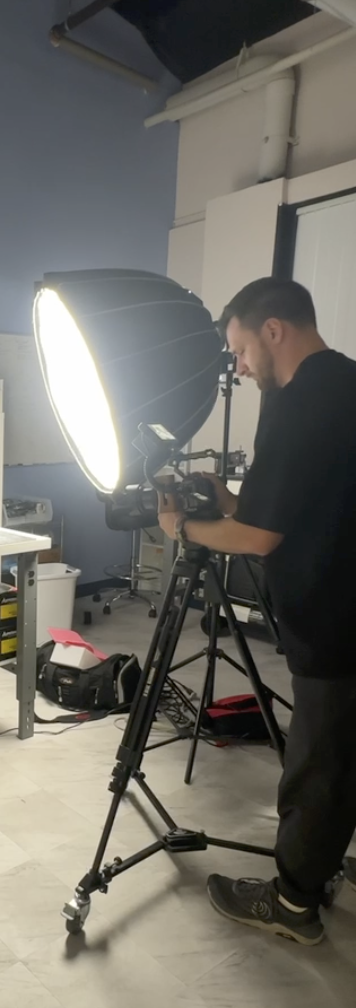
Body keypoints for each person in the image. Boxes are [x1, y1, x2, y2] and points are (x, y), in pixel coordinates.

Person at [157, 277, 356, 946]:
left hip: (332, 624)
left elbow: (259, 539)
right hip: (347, 609)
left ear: (274, 330)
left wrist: (182, 528)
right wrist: (230, 500)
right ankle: (330, 856)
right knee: (345, 757)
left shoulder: (298, 405)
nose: (239, 368)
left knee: (316, 766)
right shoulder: (345, 384)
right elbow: (296, 512)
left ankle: (294, 901)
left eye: (241, 350)